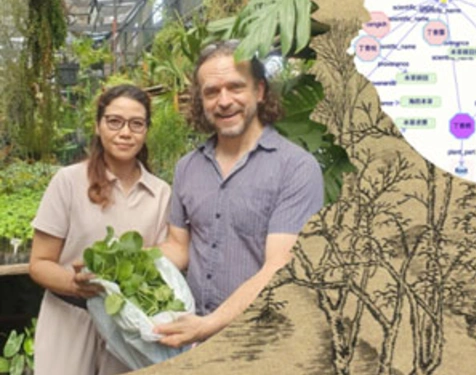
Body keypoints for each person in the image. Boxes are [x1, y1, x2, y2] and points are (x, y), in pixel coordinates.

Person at [155, 40, 324, 347]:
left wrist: (209, 325)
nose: (223, 101)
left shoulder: (296, 168)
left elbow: (281, 266)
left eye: (235, 87)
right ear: (201, 101)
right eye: (211, 91)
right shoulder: (186, 168)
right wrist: (112, 262)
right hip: (195, 341)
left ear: (259, 92)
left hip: (263, 342)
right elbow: (178, 248)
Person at [29, 84, 171, 375]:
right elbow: (39, 263)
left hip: (128, 329)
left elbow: (161, 268)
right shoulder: (68, 182)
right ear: (98, 125)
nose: (125, 132)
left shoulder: (161, 194)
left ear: (146, 131)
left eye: (136, 124)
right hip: (69, 321)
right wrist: (77, 285)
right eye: (114, 121)